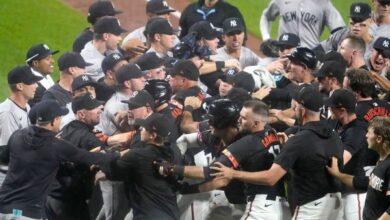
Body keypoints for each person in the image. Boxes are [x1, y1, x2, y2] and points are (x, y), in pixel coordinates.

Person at [211, 85, 344, 219]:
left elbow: (270, 178)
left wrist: (233, 173)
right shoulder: (332, 134)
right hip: (335, 203)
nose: (294, 108)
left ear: (302, 111)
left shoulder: (297, 141)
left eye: (296, 106)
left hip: (311, 205)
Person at [0, 100, 118, 219]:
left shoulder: (17, 135)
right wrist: (116, 155)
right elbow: (91, 158)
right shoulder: (56, 145)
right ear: (54, 121)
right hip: (24, 214)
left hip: (3, 208)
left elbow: (3, 163)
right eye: (59, 118)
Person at [101, 113, 182, 220]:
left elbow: (111, 172)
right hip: (171, 213)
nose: (141, 130)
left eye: (144, 128)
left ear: (153, 135)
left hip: (148, 215)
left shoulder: (137, 155)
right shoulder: (176, 151)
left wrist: (104, 158)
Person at [326, 116, 390, 219]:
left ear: (379, 139)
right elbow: (363, 182)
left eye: (369, 132)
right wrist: (337, 174)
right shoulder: (381, 160)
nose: (366, 136)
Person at [328, 89, 369, 220]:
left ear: (342, 111)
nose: (329, 110)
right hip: (341, 191)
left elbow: (341, 161)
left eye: (332, 108)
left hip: (354, 194)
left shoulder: (357, 131)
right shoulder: (336, 123)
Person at [0, 66, 42, 186]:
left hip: (19, 174)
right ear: (20, 86)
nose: (36, 86)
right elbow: (6, 151)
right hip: (6, 179)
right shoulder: (7, 113)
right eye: (32, 82)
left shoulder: (26, 106)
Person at [260, 0, 345, 49]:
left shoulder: (324, 3)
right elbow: (266, 16)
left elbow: (340, 30)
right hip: (284, 52)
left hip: (309, 55)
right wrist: (266, 37)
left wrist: (324, 48)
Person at [81, 16, 127, 81]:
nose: (120, 38)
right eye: (117, 35)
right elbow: (108, 84)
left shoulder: (108, 48)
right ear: (105, 36)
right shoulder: (91, 62)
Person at [179, 0, 246, 42]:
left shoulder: (232, 12)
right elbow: (182, 36)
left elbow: (241, 40)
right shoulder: (190, 10)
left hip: (219, 58)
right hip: (192, 57)